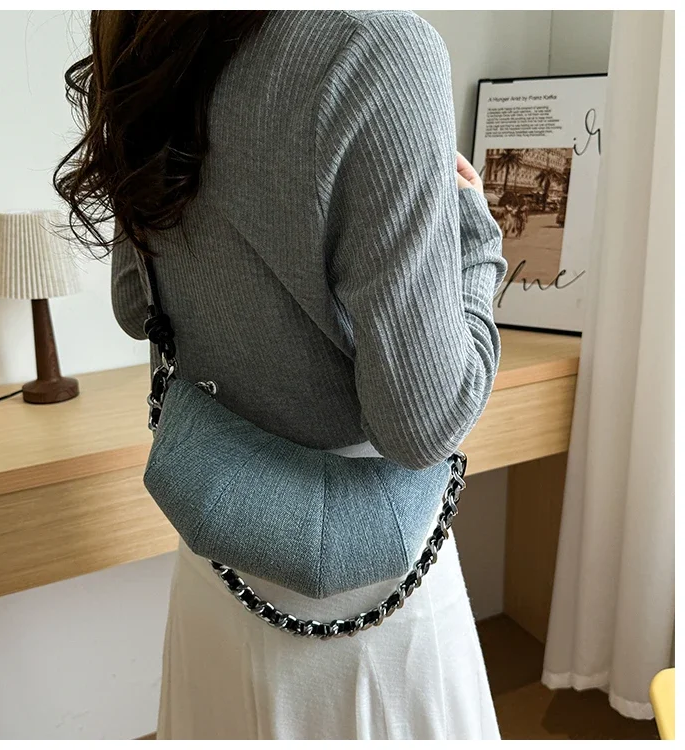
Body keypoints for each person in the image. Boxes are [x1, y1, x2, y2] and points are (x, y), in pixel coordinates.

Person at [55, 10, 507, 741]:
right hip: (374, 611)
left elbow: (136, 308)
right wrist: (475, 238)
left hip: (221, 564)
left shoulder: (150, 32)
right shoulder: (377, 48)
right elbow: (425, 424)